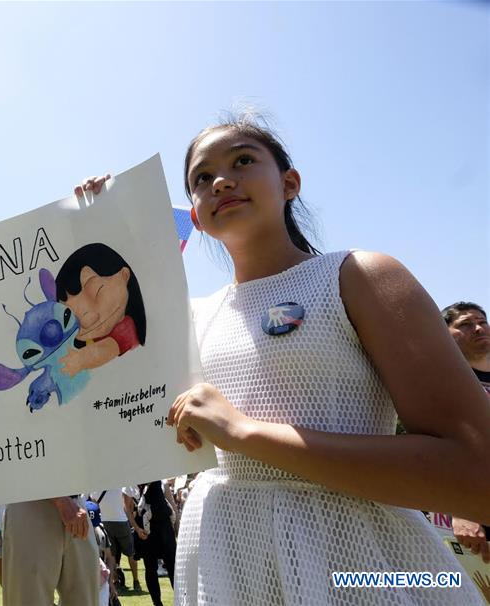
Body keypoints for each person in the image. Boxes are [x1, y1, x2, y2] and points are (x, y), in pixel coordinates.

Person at [79, 113, 489, 604]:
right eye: (202, 178)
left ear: (289, 183)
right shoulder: (187, 319)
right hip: (224, 569)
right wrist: (97, 223)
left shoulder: (357, 276)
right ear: (195, 215)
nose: (221, 181)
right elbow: (102, 370)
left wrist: (243, 433)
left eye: (243, 161)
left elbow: (476, 473)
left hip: (360, 573)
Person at [442, 302, 490, 563]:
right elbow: (437, 445)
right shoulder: (442, 381)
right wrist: (460, 509)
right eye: (466, 325)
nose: (479, 328)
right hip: (476, 514)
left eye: (482, 321)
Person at [55, 243, 147, 377]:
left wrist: (81, 359)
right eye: (72, 314)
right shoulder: (85, 339)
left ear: (124, 275)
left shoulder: (126, 327)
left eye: (96, 292)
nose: (86, 320)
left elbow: (109, 348)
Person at [2, 496, 99, 606]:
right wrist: (60, 499)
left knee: (86, 598)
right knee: (29, 599)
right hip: (29, 503)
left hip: (77, 504)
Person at [124, 482, 176, 606]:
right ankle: (157, 603)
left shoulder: (162, 481)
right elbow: (127, 509)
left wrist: (175, 525)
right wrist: (137, 529)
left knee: (172, 567)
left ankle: (179, 600)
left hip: (162, 528)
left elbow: (171, 504)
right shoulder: (130, 485)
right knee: (151, 568)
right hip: (147, 530)